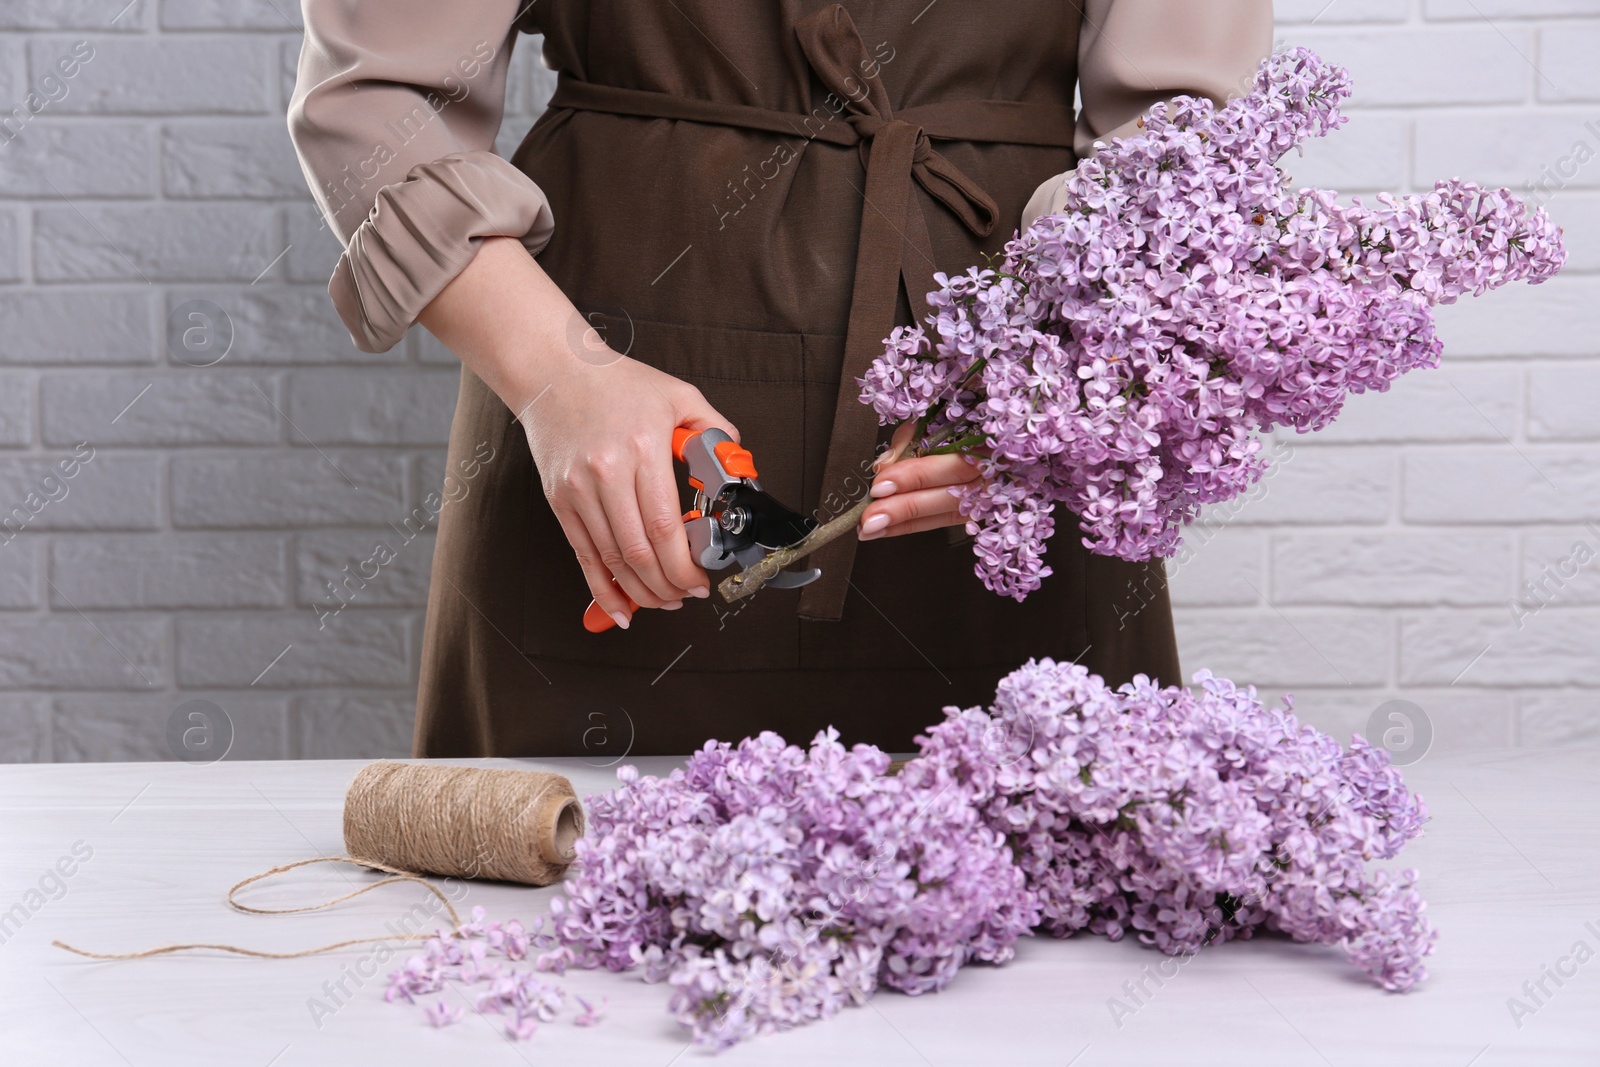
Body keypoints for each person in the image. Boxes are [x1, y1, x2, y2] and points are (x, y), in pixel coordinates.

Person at [288, 0, 1275, 757]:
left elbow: (1185, 144)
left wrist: (1052, 374)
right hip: (605, 431)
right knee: (560, 958)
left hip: (1010, 458)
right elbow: (380, 100)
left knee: (1051, 980)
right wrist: (559, 377)